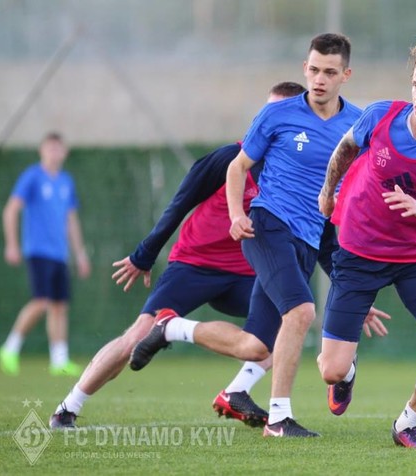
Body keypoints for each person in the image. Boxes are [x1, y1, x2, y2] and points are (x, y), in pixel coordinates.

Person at [130, 33, 363, 438]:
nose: (319, 79)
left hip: (307, 240)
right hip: (267, 226)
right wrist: (237, 215)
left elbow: (358, 184)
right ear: (305, 68)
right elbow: (237, 167)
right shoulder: (278, 114)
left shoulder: (357, 124)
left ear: (346, 75)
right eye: (313, 70)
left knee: (256, 347)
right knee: (302, 312)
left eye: (329, 72)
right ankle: (279, 418)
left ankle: (171, 327)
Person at [48, 82, 309, 429]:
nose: (269, 119)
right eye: (266, 111)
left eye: (281, 112)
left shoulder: (300, 173)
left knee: (288, 322)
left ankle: (236, 392)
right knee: (137, 336)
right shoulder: (229, 158)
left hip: (246, 273)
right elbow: (179, 204)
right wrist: (144, 254)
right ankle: (68, 407)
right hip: (194, 265)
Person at [317, 32, 416, 449]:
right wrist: (328, 192)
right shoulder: (380, 116)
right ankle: (347, 371)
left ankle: (407, 424)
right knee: (330, 370)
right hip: (359, 249)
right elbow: (345, 149)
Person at [1, 132, 91, 377]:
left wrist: (80, 254)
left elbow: (71, 220)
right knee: (41, 301)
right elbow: (11, 210)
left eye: (58, 148)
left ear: (64, 152)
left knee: (59, 306)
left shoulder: (66, 181)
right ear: (41, 150)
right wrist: (12, 244)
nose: (54, 153)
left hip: (60, 254)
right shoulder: (32, 176)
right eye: (49, 148)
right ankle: (9, 349)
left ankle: (59, 360)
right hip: (38, 251)